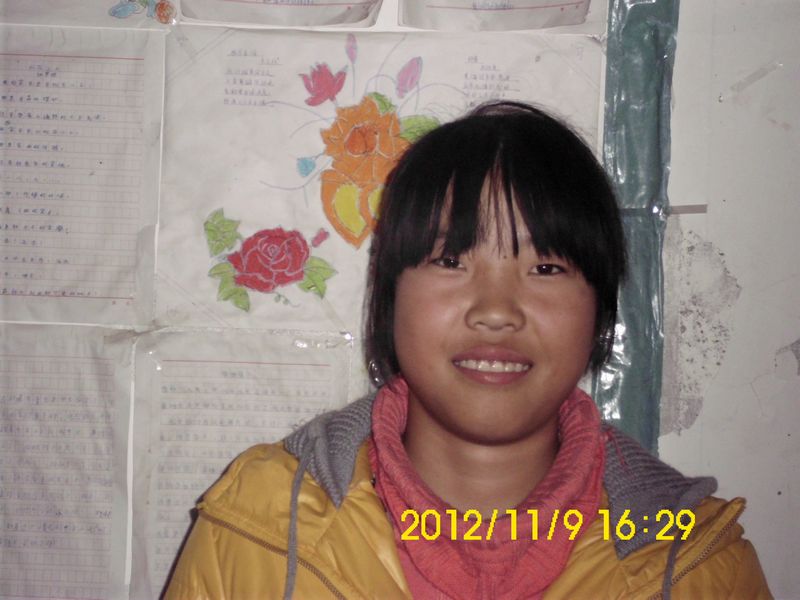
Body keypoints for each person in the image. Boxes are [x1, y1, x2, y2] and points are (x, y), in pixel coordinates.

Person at [164, 101, 772, 599]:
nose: (496, 311)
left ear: (601, 313)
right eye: (451, 260)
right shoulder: (260, 523)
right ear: (388, 297)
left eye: (546, 267)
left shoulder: (698, 567)